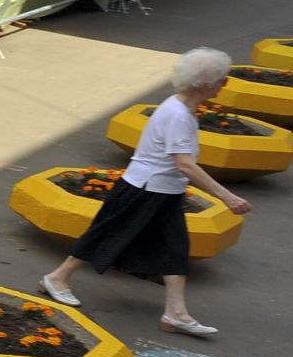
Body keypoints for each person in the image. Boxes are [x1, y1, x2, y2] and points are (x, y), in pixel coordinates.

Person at [39, 47, 253, 335]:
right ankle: (57, 278)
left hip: (164, 190)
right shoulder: (177, 114)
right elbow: (185, 164)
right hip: (145, 189)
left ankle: (175, 313)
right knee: (106, 235)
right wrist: (227, 196)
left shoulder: (182, 107)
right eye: (222, 79)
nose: (225, 84)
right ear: (205, 85)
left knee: (174, 248)